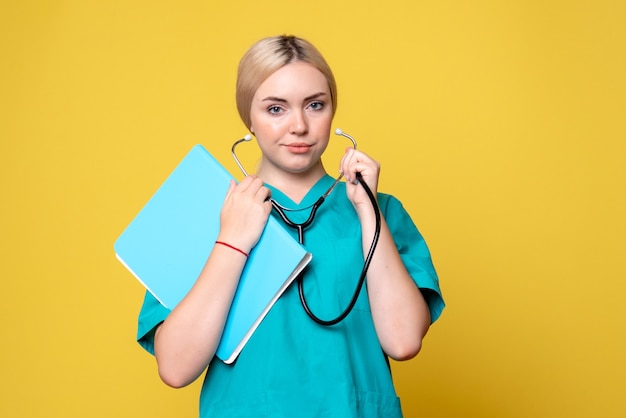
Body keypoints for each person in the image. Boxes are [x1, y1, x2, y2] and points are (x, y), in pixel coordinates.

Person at [136, 35, 445, 417]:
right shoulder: (206, 212)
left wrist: (368, 214)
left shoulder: (381, 211)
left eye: (315, 105)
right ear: (248, 117)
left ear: (333, 112)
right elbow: (176, 367)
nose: (299, 126)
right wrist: (232, 242)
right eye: (275, 109)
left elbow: (403, 342)